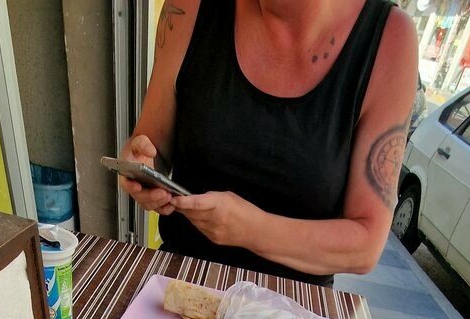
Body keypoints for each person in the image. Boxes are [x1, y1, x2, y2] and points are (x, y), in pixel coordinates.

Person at [117, 0, 419, 285]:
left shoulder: (390, 38)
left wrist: (252, 230)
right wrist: (143, 167)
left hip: (294, 305)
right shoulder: (188, 7)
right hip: (180, 283)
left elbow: (365, 245)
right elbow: (152, 145)